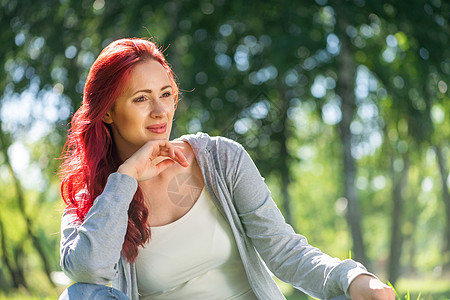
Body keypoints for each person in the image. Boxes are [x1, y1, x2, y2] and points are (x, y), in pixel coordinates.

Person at [58, 37, 395, 300]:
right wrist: (126, 179)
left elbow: (285, 251)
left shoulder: (221, 159)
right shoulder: (94, 197)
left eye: (166, 94)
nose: (161, 111)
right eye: (141, 99)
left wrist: (352, 278)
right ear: (107, 112)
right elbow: (89, 275)